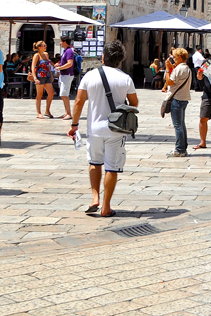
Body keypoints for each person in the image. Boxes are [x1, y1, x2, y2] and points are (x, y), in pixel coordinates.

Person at [68, 40, 137, 218]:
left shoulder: (90, 76)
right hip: (116, 129)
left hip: (94, 128)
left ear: (103, 57)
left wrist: (74, 125)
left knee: (94, 162)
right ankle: (106, 206)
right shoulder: (125, 78)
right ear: (120, 59)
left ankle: (94, 198)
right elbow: (135, 104)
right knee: (111, 168)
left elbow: (78, 102)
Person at [164, 47, 192, 157]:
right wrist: (172, 67)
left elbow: (170, 82)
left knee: (178, 125)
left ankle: (179, 149)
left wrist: (167, 69)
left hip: (177, 99)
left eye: (175, 57)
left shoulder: (179, 69)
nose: (173, 59)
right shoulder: (186, 68)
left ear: (180, 57)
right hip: (183, 98)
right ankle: (183, 147)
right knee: (181, 124)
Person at [31, 40, 55, 119]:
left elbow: (48, 66)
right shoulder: (36, 55)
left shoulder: (46, 54)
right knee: (39, 95)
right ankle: (38, 112)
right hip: (39, 76)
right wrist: (35, 78)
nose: (46, 46)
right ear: (39, 47)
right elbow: (33, 67)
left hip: (47, 76)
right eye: (44, 45)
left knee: (51, 93)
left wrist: (51, 75)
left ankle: (47, 111)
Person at [55, 34, 76, 120]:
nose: (60, 43)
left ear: (64, 42)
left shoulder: (69, 51)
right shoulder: (65, 51)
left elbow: (70, 63)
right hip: (63, 75)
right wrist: (59, 64)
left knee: (64, 94)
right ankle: (66, 112)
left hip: (67, 75)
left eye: (61, 41)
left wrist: (60, 68)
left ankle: (69, 113)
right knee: (63, 94)